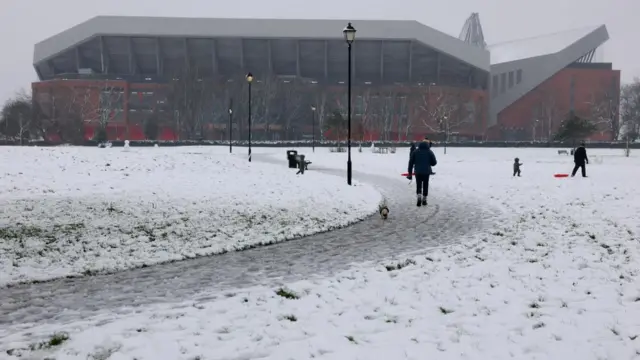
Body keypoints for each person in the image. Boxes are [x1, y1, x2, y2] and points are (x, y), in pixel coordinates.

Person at [407, 138, 438, 207]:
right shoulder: (429, 152)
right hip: (426, 172)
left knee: (418, 184)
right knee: (425, 185)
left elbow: (410, 163)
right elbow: (434, 162)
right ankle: (424, 199)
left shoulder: (415, 151)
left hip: (418, 171)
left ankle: (419, 196)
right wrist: (429, 163)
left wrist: (410, 174)